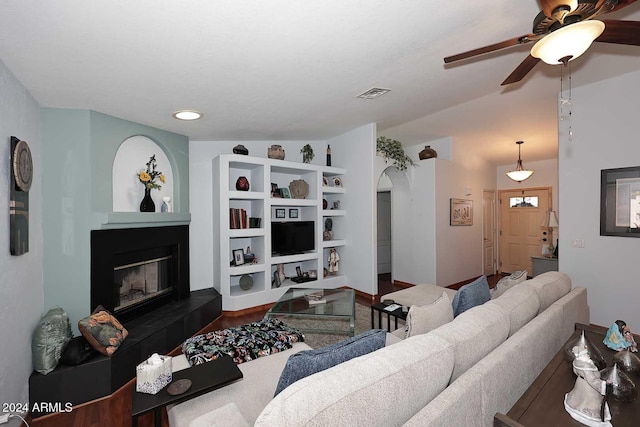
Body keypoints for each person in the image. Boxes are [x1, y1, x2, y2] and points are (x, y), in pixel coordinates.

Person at [564, 346, 612, 427]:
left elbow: (576, 372)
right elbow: (592, 380)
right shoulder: (586, 367)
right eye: (586, 354)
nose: (588, 355)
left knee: (579, 396)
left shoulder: (577, 362)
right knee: (590, 400)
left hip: (580, 382)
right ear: (582, 356)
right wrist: (603, 385)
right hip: (588, 387)